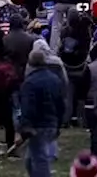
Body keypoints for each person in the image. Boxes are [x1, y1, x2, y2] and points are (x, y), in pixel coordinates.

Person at [19, 49, 65, 177]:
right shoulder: (55, 79)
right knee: (30, 159)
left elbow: (28, 106)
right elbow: (60, 103)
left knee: (40, 160)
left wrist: (25, 126)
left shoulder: (29, 82)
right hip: (52, 122)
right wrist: (59, 123)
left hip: (37, 125)